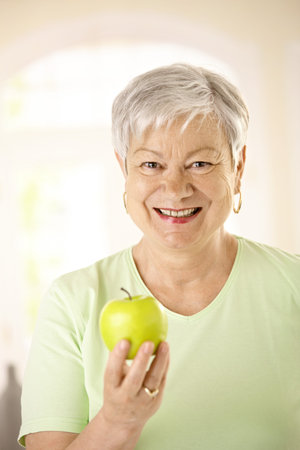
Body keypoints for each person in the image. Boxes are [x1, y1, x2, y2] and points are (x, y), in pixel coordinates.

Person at [18, 63, 300, 450]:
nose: (175, 187)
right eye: (151, 164)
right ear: (124, 170)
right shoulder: (72, 301)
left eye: (200, 163)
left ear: (237, 168)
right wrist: (118, 423)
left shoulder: (293, 286)